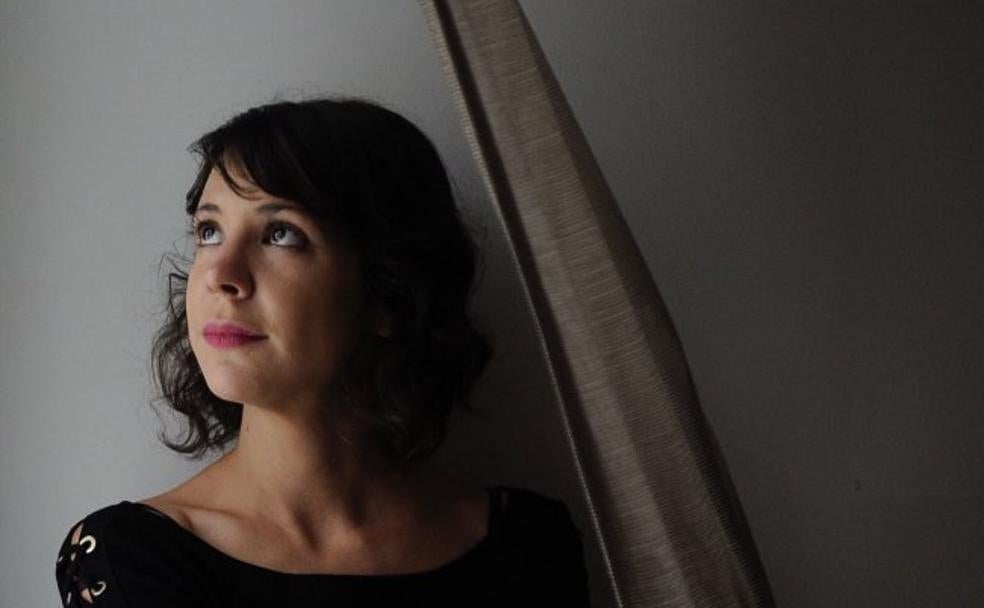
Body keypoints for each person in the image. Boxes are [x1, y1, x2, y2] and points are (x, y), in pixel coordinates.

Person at [53, 96, 592, 607]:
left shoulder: (527, 545)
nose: (221, 274)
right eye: (209, 231)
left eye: (281, 234)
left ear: (389, 292)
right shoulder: (131, 560)